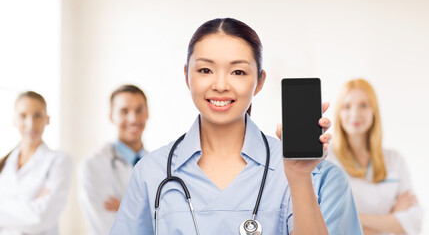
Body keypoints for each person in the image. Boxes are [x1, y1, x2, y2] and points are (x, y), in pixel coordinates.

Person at [110, 18, 362, 235]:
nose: (220, 85)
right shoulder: (151, 173)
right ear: (187, 75)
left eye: (238, 72)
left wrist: (298, 177)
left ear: (260, 81)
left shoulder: (302, 172)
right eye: (206, 70)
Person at [327, 79, 423, 234]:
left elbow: (414, 221)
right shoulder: (327, 159)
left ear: (374, 110)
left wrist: (352, 220)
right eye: (347, 106)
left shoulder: (395, 160)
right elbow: (330, 223)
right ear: (339, 113)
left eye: (363, 105)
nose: (355, 114)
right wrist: (392, 218)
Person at [78, 85, 149, 235]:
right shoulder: (93, 166)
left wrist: (125, 207)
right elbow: (108, 227)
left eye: (139, 110)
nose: (133, 119)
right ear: (111, 116)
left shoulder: (160, 166)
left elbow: (172, 223)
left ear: (147, 113)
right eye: (124, 111)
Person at [0, 91, 73, 235]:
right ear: (14, 120)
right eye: (23, 116)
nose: (30, 123)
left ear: (47, 119)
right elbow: (30, 215)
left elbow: (41, 217)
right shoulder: (5, 164)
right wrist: (28, 208)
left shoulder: (59, 161)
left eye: (37, 115)